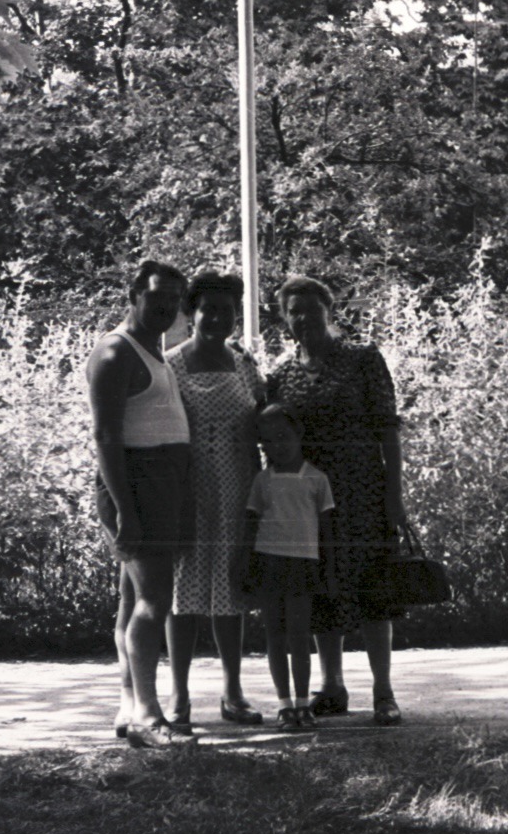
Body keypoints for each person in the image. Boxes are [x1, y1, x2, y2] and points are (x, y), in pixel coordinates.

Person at [265, 274, 409, 726]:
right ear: (284, 319)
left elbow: (388, 428)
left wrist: (394, 495)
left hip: (363, 490)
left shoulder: (363, 360)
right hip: (308, 499)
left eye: (312, 308)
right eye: (294, 310)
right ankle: (332, 685)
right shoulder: (281, 375)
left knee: (373, 589)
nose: (303, 317)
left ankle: (383, 692)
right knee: (320, 587)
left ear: (329, 311)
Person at [85, 259, 197, 749]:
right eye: (156, 299)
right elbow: (106, 437)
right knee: (155, 601)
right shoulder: (114, 352)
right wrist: (126, 511)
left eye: (174, 301)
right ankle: (151, 716)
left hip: (165, 483)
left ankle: (131, 704)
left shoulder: (158, 351)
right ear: (134, 295)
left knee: (132, 601)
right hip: (137, 485)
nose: (166, 308)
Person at [163, 269, 265, 730]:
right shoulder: (171, 364)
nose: (218, 317)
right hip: (187, 491)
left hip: (238, 489)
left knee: (231, 590)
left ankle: (233, 691)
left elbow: (265, 422)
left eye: (227, 310)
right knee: (182, 595)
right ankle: (179, 696)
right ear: (191, 312)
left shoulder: (244, 364)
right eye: (209, 308)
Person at [242, 403, 334, 730]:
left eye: (283, 437)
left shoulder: (316, 479)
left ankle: (303, 704)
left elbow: (326, 531)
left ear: (299, 435)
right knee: (275, 636)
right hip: (269, 563)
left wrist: (327, 569)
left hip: (303, 566)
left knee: (299, 636)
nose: (275, 446)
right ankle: (284, 705)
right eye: (267, 441)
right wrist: (249, 566)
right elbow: (252, 524)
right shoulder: (262, 481)